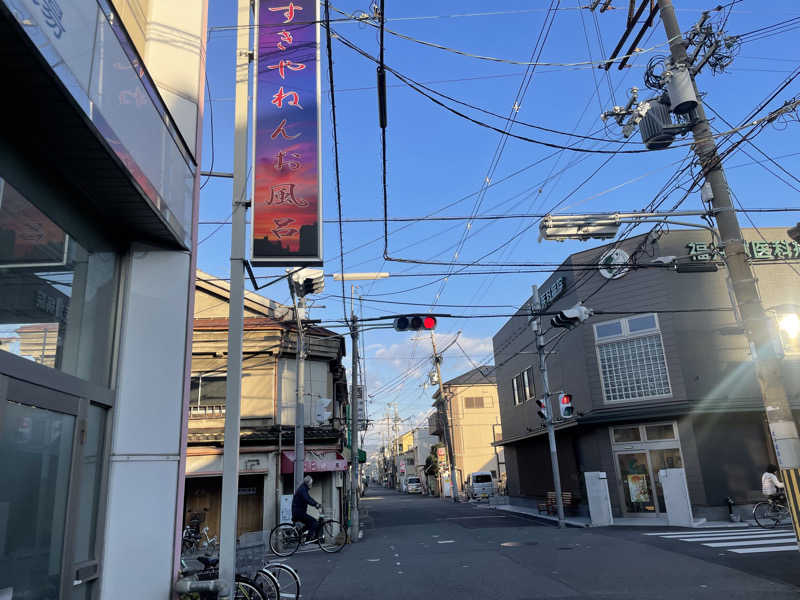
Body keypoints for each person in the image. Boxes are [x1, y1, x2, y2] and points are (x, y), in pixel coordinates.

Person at [292, 475, 321, 540]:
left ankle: (300, 532)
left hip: (298, 512)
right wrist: (315, 505)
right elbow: (307, 499)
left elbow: (309, 498)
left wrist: (316, 503)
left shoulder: (303, 488)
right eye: (311, 483)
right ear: (308, 483)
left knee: (310, 523)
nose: (311, 485)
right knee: (314, 522)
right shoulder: (302, 490)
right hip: (299, 512)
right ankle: (308, 539)